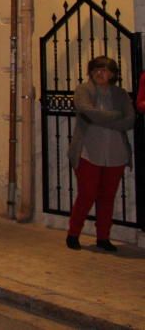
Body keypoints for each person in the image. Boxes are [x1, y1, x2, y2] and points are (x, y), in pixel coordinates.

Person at [66, 56, 135, 252]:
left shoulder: (120, 94)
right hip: (88, 152)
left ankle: (103, 237)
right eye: (96, 69)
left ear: (113, 74)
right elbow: (87, 111)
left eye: (104, 70)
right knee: (87, 194)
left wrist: (100, 118)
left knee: (107, 196)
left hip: (115, 154)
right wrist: (114, 115)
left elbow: (129, 121)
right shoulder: (84, 90)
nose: (99, 73)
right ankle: (73, 233)